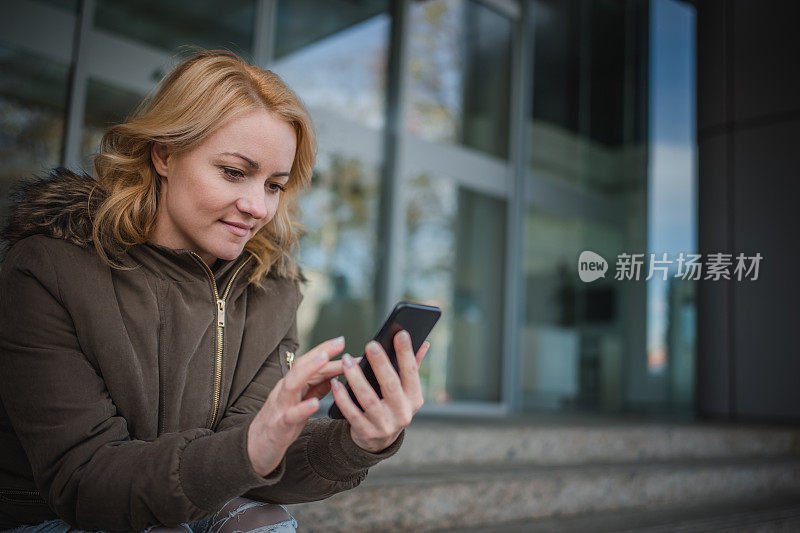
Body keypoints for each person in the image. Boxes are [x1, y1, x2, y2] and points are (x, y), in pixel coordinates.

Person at [0, 49, 429, 533]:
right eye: (233, 172)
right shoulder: (49, 269)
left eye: (274, 185)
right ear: (164, 154)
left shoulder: (271, 289)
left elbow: (249, 460)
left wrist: (356, 442)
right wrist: (247, 450)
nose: (258, 207)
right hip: (52, 514)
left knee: (264, 524)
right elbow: (85, 478)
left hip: (192, 506)